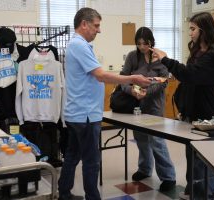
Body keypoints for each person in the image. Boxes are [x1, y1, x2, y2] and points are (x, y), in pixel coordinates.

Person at [58, 7, 151, 200]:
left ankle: (64, 194)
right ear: (84, 24)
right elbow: (100, 75)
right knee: (91, 161)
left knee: (73, 156)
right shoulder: (79, 45)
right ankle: (92, 197)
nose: (99, 30)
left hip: (78, 113)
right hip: (85, 115)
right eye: (96, 26)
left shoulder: (77, 45)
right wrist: (132, 78)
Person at [150, 12, 214, 199]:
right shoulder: (196, 53)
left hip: (207, 117)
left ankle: (203, 195)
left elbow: (190, 75)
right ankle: (194, 192)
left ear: (204, 30)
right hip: (192, 116)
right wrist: (183, 108)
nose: (190, 33)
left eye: (193, 29)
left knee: (204, 164)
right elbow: (188, 82)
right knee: (193, 159)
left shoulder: (211, 56)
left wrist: (166, 59)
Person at [121, 27, 176, 192]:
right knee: (141, 139)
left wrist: (147, 92)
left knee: (157, 141)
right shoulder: (132, 56)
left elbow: (164, 81)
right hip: (136, 106)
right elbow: (123, 78)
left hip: (154, 106)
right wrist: (131, 90)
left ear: (152, 42)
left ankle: (168, 177)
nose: (142, 47)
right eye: (139, 44)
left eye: (145, 44)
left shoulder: (160, 57)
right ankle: (145, 169)